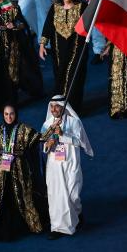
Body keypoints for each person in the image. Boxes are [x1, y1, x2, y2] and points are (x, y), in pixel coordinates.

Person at [0, 104, 48, 241]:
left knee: (23, 196)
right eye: (6, 114)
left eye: (11, 113)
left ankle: (29, 224)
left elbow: (38, 139)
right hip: (1, 172)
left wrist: (52, 130)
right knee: (1, 198)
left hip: (19, 170)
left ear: (16, 114)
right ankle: (0, 227)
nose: (9, 117)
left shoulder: (24, 129)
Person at [41, 96, 94, 239]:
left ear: (63, 107)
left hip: (70, 162)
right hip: (54, 164)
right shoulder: (47, 124)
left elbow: (79, 141)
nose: (53, 110)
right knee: (56, 195)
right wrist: (48, 145)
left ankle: (77, 213)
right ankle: (57, 227)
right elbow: (43, 144)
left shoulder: (74, 122)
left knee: (72, 194)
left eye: (57, 106)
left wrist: (63, 135)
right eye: (51, 107)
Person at [40, 0, 89, 111]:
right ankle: (60, 107)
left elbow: (88, 25)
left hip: (76, 49)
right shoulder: (55, 8)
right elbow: (48, 28)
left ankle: (73, 108)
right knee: (60, 76)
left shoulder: (82, 7)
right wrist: (42, 45)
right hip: (58, 51)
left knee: (74, 76)